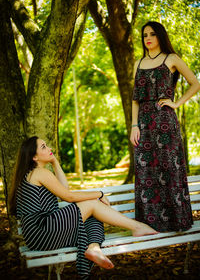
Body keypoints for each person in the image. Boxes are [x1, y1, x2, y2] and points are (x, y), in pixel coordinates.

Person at [9, 136, 158, 279]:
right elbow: (69, 196)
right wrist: (99, 194)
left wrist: (54, 161)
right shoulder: (39, 172)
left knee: (93, 216)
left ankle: (93, 248)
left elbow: (63, 189)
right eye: (43, 147)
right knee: (93, 203)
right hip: (43, 230)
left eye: (47, 145)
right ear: (34, 157)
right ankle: (137, 227)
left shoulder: (33, 174)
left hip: (40, 236)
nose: (49, 148)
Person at [130, 21, 200, 233]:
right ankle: (150, 225)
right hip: (143, 124)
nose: (148, 38)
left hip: (165, 124)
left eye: (152, 34)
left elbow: (195, 84)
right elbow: (134, 99)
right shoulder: (138, 63)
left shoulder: (172, 59)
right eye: (144, 35)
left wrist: (176, 103)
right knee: (146, 172)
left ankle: (176, 222)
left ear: (160, 35)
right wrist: (134, 125)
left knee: (171, 169)